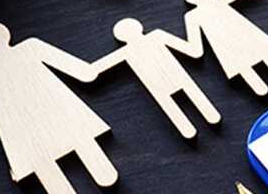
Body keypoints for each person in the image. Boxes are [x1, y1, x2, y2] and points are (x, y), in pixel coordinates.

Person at [0, 22, 116, 194]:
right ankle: (103, 175)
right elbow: (80, 71)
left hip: (19, 131)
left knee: (42, 161)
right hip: (58, 109)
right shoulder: (29, 47)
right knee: (81, 140)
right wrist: (89, 71)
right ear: (5, 35)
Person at [92, 18, 221, 139]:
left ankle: (191, 128)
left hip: (160, 82)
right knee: (187, 98)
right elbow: (188, 48)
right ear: (139, 28)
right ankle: (204, 120)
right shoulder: (156, 36)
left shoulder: (128, 50)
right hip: (171, 76)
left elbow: (95, 69)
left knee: (172, 105)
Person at [182, 0, 268, 96]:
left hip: (228, 42)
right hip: (234, 39)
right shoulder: (210, 6)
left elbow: (196, 48)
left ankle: (266, 85)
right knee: (260, 55)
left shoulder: (193, 15)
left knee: (252, 60)